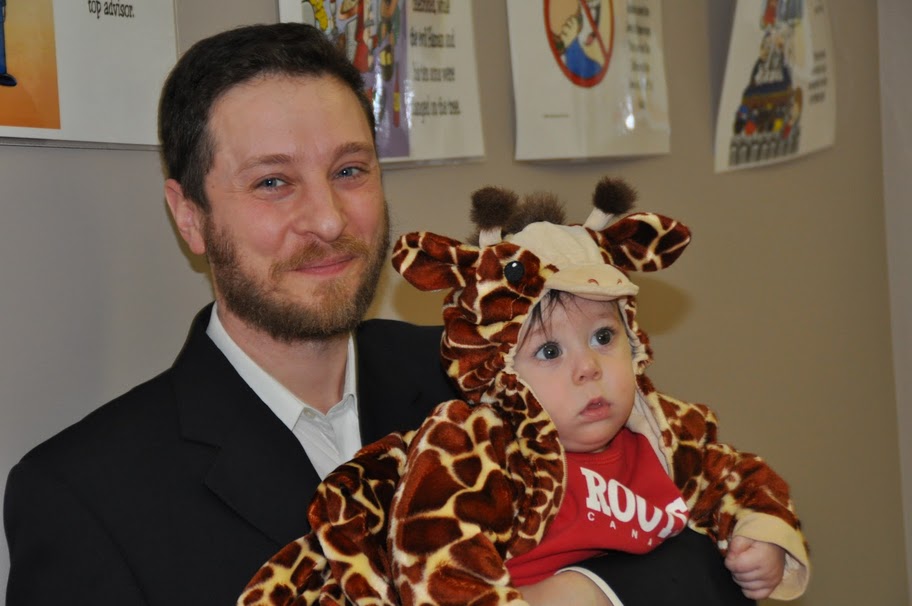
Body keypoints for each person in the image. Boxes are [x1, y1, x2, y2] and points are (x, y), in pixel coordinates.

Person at [4, 21, 785, 606]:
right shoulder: (85, 498)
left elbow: (706, 548)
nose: (328, 220)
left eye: (350, 171)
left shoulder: (503, 374)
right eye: (273, 182)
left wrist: (579, 593)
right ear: (190, 217)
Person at [240, 178, 809, 605]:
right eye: (550, 352)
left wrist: (761, 539)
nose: (588, 368)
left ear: (635, 339)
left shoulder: (665, 435)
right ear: (500, 369)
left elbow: (739, 479)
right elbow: (440, 561)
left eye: (604, 337)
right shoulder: (481, 449)